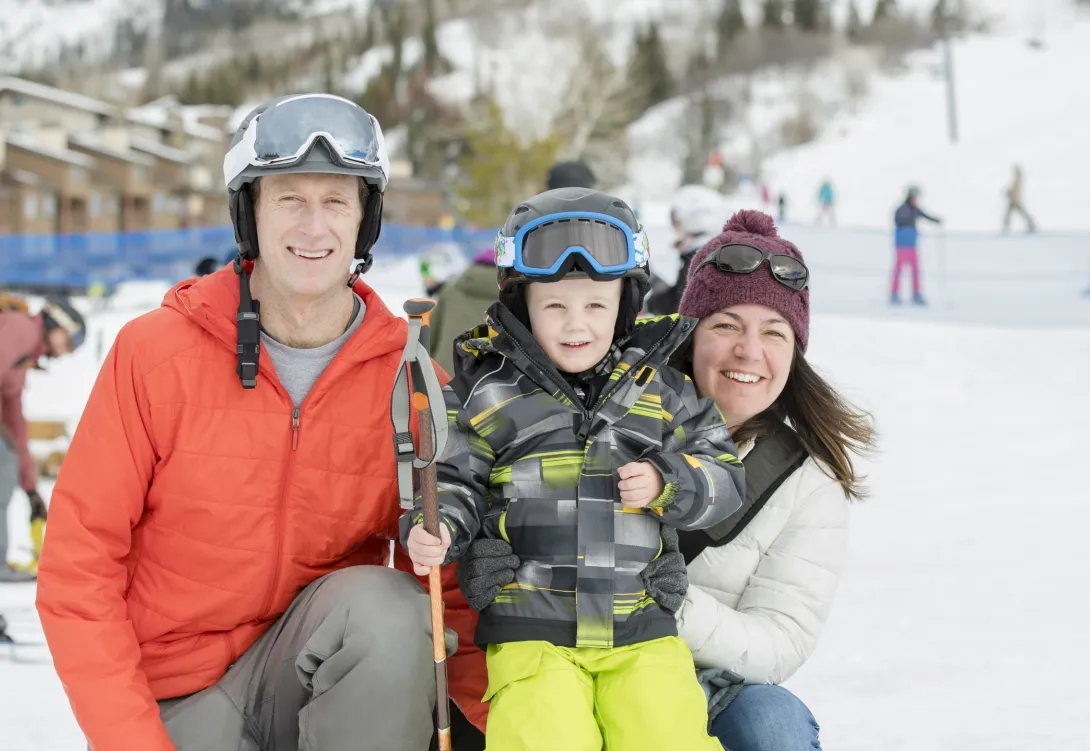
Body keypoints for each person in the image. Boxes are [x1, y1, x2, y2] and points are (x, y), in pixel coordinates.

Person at [35, 93, 487, 751]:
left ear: (365, 221)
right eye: (288, 200)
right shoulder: (154, 353)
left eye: (335, 202)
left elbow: (451, 577)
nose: (313, 227)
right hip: (177, 699)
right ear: (250, 212)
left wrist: (479, 727)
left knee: (390, 608)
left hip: (321, 685)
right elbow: (80, 565)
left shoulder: (410, 381)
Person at [459, 209, 876, 751]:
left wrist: (665, 604)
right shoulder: (599, 402)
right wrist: (478, 550)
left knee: (771, 719)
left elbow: (780, 640)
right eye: (726, 325)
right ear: (689, 335)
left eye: (774, 333)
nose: (749, 352)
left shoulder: (807, 482)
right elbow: (477, 475)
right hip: (552, 648)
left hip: (684, 672)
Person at [401, 187, 746, 751]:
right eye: (554, 306)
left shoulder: (664, 392)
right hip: (532, 631)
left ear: (624, 305)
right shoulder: (487, 393)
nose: (575, 323)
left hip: (641, 631)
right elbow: (453, 478)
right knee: (546, 736)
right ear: (523, 308)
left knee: (667, 735)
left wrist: (669, 481)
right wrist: (436, 524)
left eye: (594, 305)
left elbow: (726, 477)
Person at [0, 294, 85, 582]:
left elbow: (15, 424)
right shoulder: (22, 328)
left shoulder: (23, 355)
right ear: (56, 323)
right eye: (70, 338)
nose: (69, 349)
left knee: (6, 461)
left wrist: (30, 488)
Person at [646, 184, 728, 316]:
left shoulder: (701, 262)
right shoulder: (711, 255)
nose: (675, 229)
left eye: (677, 222)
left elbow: (679, 310)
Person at [428, 247, 497, 375]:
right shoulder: (515, 297)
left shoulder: (450, 291)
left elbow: (429, 337)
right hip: (495, 384)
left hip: (444, 376)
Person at [892, 186, 942, 305]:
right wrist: (910, 221)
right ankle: (894, 293)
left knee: (915, 271)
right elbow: (899, 220)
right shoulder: (902, 209)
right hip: (902, 246)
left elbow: (925, 215)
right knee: (898, 271)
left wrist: (935, 220)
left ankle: (916, 293)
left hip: (912, 246)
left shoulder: (915, 210)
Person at [1002, 164, 1036, 233]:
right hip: (1014, 200)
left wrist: (1009, 193)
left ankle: (1031, 224)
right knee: (1011, 214)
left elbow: (1015, 191)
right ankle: (1030, 224)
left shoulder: (1017, 181)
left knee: (1015, 214)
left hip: (1015, 200)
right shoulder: (1016, 180)